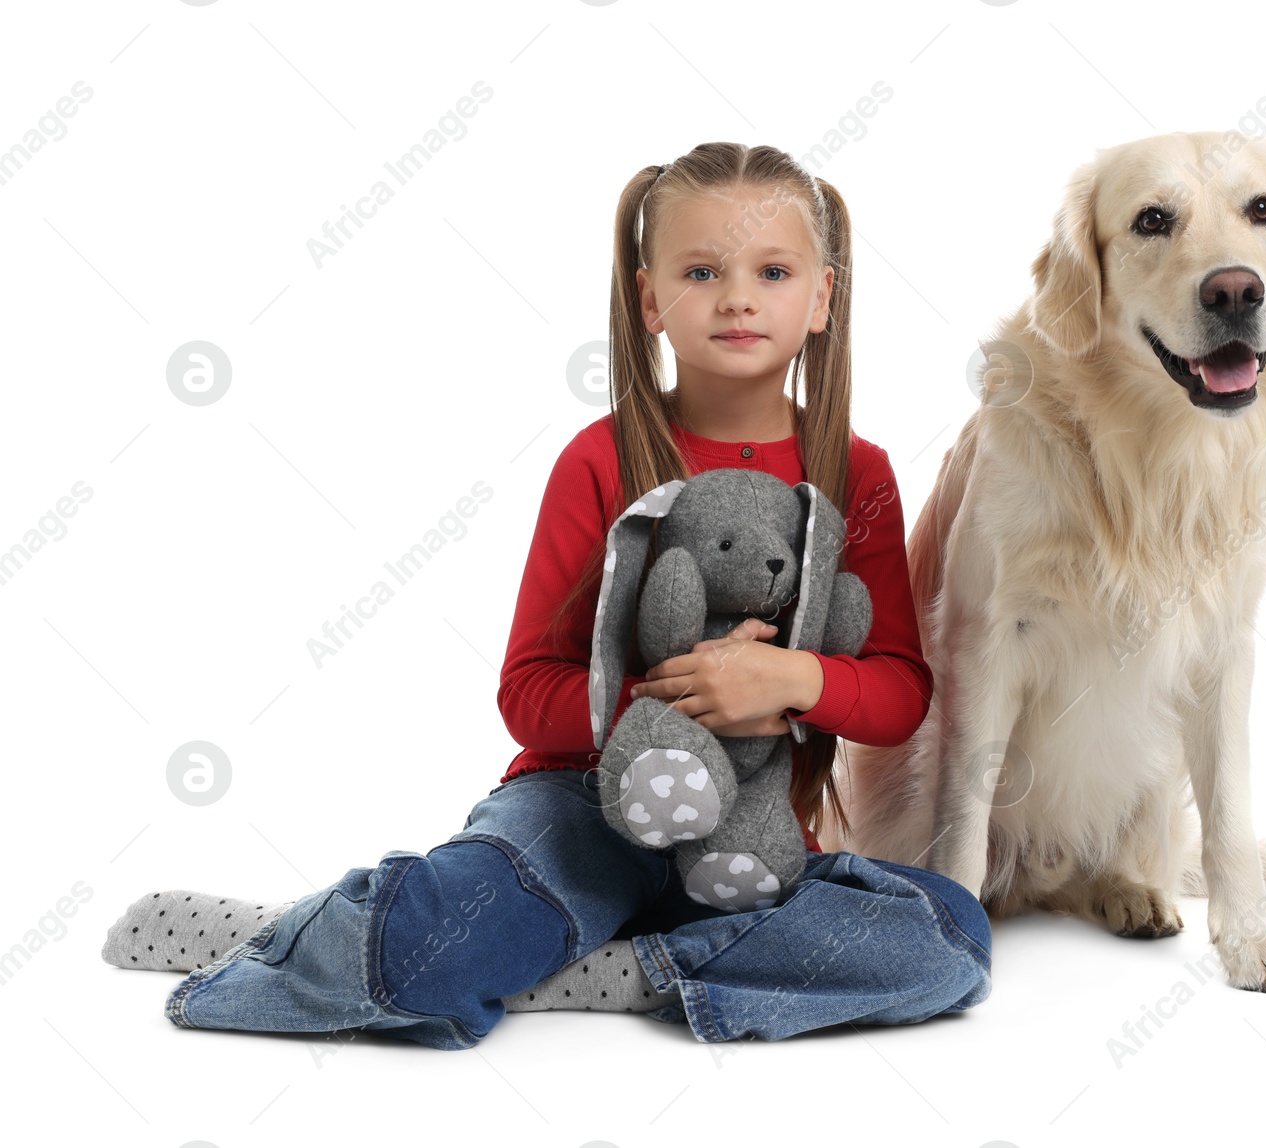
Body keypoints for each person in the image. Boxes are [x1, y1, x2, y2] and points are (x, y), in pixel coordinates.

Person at [100, 141, 992, 1049]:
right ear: (650, 299)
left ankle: (606, 970)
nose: (737, 297)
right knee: (430, 949)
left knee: (948, 940)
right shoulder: (598, 460)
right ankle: (310, 929)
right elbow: (528, 694)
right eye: (700, 270)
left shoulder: (859, 472)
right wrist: (673, 703)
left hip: (743, 842)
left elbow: (895, 693)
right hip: (581, 809)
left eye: (772, 271)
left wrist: (790, 681)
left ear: (823, 298)